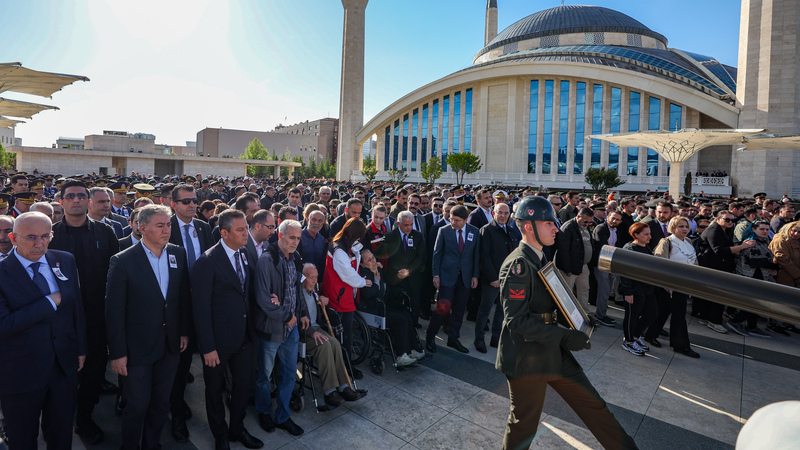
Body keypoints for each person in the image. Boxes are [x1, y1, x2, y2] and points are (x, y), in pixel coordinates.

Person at [495, 196, 636, 450]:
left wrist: (578, 319)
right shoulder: (519, 264)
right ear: (529, 226)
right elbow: (517, 321)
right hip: (526, 357)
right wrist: (564, 337)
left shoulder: (538, 257)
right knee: (524, 426)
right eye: (549, 223)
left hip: (550, 350)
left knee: (594, 406)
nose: (555, 228)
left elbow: (549, 303)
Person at [106, 205, 191, 450]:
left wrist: (183, 331)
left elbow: (182, 296)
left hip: (170, 344)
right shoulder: (123, 261)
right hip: (137, 349)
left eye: (169, 225)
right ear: (143, 229)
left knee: (161, 403)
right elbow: (114, 311)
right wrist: (117, 352)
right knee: (137, 405)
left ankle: (152, 444)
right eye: (160, 225)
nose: (167, 230)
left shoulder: (178, 253)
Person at [0, 212, 86, 449]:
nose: (39, 244)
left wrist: (80, 348)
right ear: (13, 238)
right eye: (31, 237)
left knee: (61, 434)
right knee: (22, 438)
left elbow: (76, 307)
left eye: (45, 236)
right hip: (19, 372)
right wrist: (49, 302)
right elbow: (4, 324)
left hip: (62, 367)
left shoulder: (64, 260)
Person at [50, 179, 119, 445]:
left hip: (96, 318)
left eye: (81, 196)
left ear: (88, 201)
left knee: (92, 373)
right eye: (71, 196)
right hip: (61, 320)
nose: (76, 200)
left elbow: (116, 275)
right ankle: (58, 419)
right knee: (62, 375)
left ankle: (85, 419)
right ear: (62, 202)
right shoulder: (51, 235)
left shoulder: (105, 233)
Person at [192, 209, 264, 450]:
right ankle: (220, 434)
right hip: (218, 343)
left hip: (244, 337)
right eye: (241, 229)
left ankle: (237, 429)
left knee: (243, 387)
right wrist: (208, 347)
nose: (247, 232)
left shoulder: (243, 253)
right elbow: (200, 309)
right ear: (224, 233)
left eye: (247, 227)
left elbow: (247, 292)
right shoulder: (207, 261)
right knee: (214, 391)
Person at [167, 183, 214, 442]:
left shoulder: (204, 228)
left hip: (202, 304)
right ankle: (176, 413)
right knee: (179, 366)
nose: (192, 205)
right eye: (185, 202)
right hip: (176, 306)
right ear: (173, 204)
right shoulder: (166, 227)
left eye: (194, 200)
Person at [253, 219, 309, 437]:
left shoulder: (295, 258)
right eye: (291, 237)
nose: (295, 242)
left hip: (291, 329)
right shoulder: (267, 260)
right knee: (264, 377)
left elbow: (297, 291)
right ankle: (264, 412)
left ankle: (283, 416)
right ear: (280, 236)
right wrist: (287, 315)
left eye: (298, 238)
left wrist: (302, 313)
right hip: (271, 329)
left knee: (288, 375)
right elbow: (263, 299)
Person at [298, 263, 363, 406]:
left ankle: (343, 386)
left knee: (334, 343)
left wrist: (322, 298)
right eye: (311, 277)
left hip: (316, 329)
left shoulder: (314, 290)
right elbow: (296, 318)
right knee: (325, 345)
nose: (314, 281)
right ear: (303, 278)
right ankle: (329, 392)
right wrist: (311, 332)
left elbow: (318, 301)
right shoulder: (297, 293)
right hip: (303, 332)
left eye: (316, 277)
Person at [426, 205, 480, 354]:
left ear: (465, 219)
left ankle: (453, 338)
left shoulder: (474, 232)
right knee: (442, 309)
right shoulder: (444, 231)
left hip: (465, 278)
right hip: (447, 277)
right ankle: (430, 336)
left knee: (459, 310)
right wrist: (435, 275)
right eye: (451, 219)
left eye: (457, 220)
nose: (453, 223)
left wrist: (475, 275)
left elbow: (476, 255)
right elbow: (437, 254)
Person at [359, 249, 425, 366]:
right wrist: (376, 282)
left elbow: (386, 290)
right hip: (372, 310)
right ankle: (401, 355)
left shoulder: (378, 269)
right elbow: (369, 295)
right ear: (362, 264)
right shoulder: (364, 274)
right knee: (401, 320)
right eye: (369, 260)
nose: (373, 261)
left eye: (373, 257)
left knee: (406, 314)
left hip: (382, 305)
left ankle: (414, 349)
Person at [321, 217, 369, 378]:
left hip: (344, 295)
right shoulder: (339, 250)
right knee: (343, 336)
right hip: (338, 297)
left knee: (345, 335)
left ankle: (345, 365)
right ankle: (344, 367)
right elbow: (347, 274)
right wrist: (363, 282)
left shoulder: (346, 246)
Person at [695, 210, 756, 333]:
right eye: (726, 219)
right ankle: (714, 321)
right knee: (718, 295)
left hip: (719, 267)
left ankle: (708, 317)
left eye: (732, 220)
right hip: (714, 268)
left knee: (714, 295)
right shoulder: (714, 230)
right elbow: (720, 250)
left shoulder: (724, 230)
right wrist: (742, 246)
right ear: (717, 219)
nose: (730, 222)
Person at [651, 216, 701, 357]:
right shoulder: (666, 242)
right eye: (681, 226)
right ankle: (681, 345)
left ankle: (651, 334)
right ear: (673, 228)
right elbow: (660, 263)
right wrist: (668, 284)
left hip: (684, 285)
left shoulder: (689, 241)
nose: (685, 229)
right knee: (679, 316)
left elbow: (694, 262)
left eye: (686, 226)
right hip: (670, 286)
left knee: (664, 312)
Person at [476, 202, 520, 352]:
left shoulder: (511, 230)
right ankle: (479, 339)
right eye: (500, 213)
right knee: (484, 310)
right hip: (492, 280)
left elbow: (515, 254)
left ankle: (496, 338)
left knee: (502, 311)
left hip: (508, 279)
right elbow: (484, 257)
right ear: (494, 213)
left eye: (506, 213)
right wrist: (493, 278)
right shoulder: (487, 230)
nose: (503, 216)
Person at [728, 219, 778, 337]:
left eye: (767, 229)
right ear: (754, 229)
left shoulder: (761, 241)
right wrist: (776, 266)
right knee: (754, 303)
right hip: (752, 277)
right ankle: (735, 321)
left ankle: (752, 326)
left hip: (759, 276)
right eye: (762, 229)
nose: (765, 231)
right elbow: (755, 261)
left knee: (755, 303)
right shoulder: (751, 242)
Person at [377, 210, 426, 324]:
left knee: (414, 304)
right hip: (395, 279)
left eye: (411, 225)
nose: (409, 228)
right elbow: (379, 253)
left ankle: (413, 326)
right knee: (397, 307)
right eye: (406, 225)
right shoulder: (390, 236)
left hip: (412, 278)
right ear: (398, 224)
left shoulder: (417, 236)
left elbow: (420, 257)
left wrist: (408, 271)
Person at [619, 222, 658, 357]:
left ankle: (635, 336)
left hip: (646, 289)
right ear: (636, 235)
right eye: (646, 234)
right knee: (632, 316)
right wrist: (627, 291)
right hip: (634, 289)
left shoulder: (646, 247)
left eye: (649, 234)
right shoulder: (630, 249)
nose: (649, 237)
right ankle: (628, 341)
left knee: (652, 313)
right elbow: (625, 272)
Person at [555, 207, 595, 314]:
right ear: (578, 217)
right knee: (568, 292)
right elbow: (563, 250)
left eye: (590, 222)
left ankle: (584, 313)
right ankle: (567, 314)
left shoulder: (585, 227)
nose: (587, 224)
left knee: (584, 290)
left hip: (583, 265)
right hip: (571, 267)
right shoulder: (568, 227)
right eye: (585, 221)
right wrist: (567, 268)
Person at [768, 221, 800, 335]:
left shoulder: (796, 242)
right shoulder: (781, 240)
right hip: (783, 275)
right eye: (794, 230)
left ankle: (787, 323)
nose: (796, 233)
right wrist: (798, 275)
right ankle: (774, 324)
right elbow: (783, 259)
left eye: (799, 232)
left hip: (793, 277)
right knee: (780, 300)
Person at [592, 210, 622, 327]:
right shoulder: (601, 228)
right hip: (601, 262)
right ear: (608, 217)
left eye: (618, 219)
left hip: (611, 263)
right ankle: (600, 315)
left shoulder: (616, 231)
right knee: (603, 290)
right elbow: (603, 246)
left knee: (608, 289)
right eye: (613, 218)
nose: (615, 221)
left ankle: (602, 312)